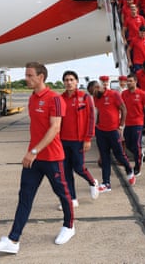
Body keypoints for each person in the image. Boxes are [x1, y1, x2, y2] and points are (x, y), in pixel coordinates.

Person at [0, 62, 74, 255]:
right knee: (24, 197)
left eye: (29, 75)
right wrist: (33, 153)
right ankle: (13, 239)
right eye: (26, 75)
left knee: (62, 193)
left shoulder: (55, 99)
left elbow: (55, 128)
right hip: (34, 159)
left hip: (52, 157)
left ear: (41, 77)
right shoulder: (32, 99)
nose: (26, 79)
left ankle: (69, 226)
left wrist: (33, 151)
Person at [60, 70, 99, 211]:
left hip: (78, 140)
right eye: (66, 80)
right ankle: (73, 199)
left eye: (71, 79)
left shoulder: (85, 97)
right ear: (63, 83)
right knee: (66, 170)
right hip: (63, 140)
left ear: (76, 82)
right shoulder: (60, 99)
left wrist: (88, 138)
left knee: (78, 167)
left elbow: (91, 118)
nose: (69, 82)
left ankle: (92, 181)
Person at [92, 76, 136, 192]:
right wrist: (95, 127)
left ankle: (129, 169)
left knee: (119, 155)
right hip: (101, 131)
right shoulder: (96, 97)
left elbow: (124, 109)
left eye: (96, 91)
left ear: (99, 87)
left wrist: (121, 126)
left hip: (113, 130)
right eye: (93, 93)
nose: (95, 94)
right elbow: (97, 112)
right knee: (105, 157)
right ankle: (106, 183)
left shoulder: (114, 94)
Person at [121, 73, 145, 176]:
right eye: (127, 81)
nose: (128, 83)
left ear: (135, 82)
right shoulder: (124, 94)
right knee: (128, 144)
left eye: (131, 81)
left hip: (138, 123)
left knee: (136, 145)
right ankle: (140, 153)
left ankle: (138, 167)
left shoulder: (142, 93)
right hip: (127, 123)